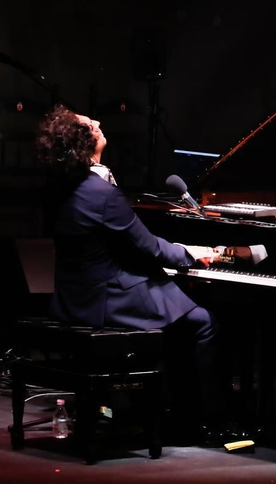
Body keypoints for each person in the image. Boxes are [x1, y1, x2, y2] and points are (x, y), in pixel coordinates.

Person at [34, 101, 254, 444]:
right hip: (109, 299)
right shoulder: (100, 193)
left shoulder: (61, 185)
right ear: (82, 143)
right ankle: (208, 420)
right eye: (90, 126)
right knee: (204, 322)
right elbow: (149, 247)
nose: (97, 122)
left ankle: (170, 407)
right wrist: (191, 254)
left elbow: (131, 242)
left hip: (74, 296)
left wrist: (180, 253)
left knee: (180, 312)